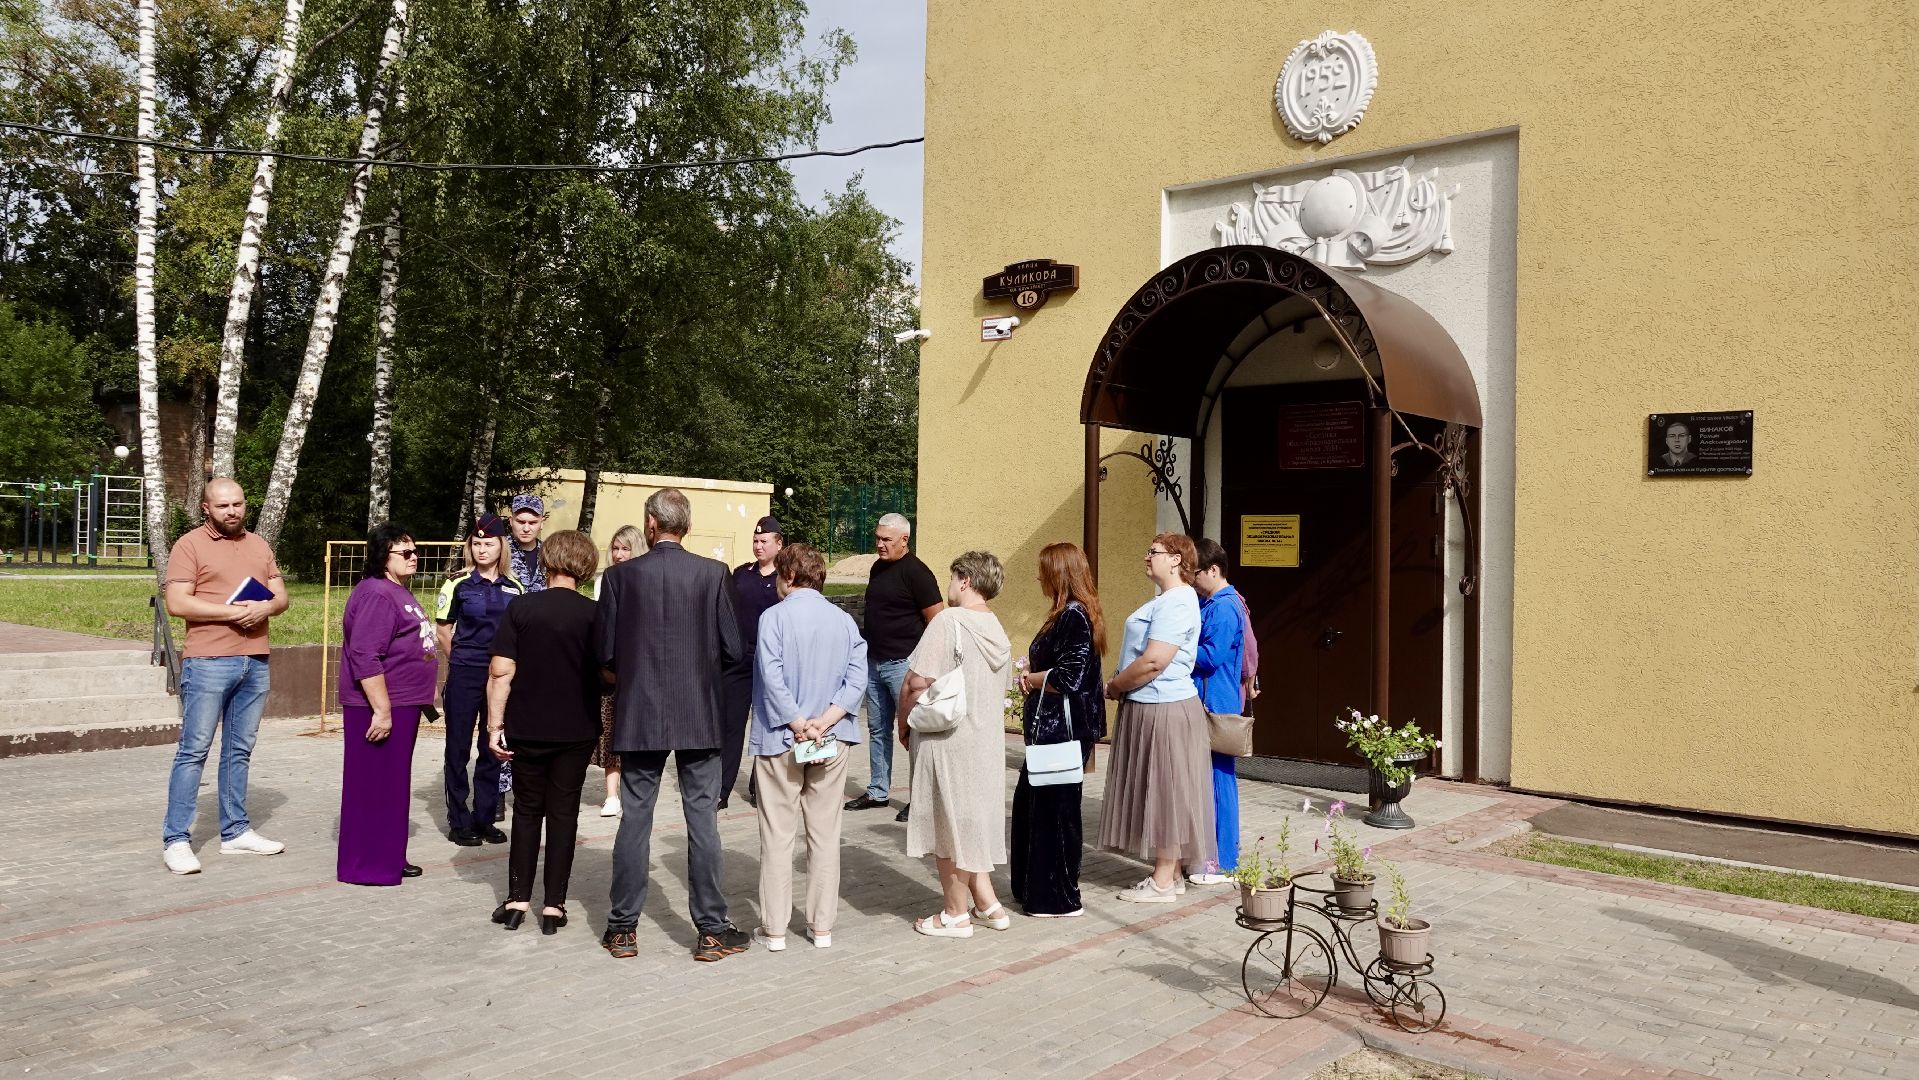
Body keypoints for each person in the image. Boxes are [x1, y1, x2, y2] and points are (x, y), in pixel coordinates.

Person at [595, 488, 752, 963]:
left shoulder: (620, 577)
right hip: (698, 712)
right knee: (702, 820)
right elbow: (734, 649)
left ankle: (623, 929)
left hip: (640, 712)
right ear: (687, 525)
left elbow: (604, 652)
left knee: (635, 818)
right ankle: (711, 930)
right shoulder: (713, 574)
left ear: (650, 524)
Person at [160, 477, 290, 874]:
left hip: (255, 660)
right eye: (222, 506)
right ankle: (176, 839)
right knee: (193, 750)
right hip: (209, 661)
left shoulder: (259, 545)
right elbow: (177, 602)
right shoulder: (189, 545)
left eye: (238, 504)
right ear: (206, 508)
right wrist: (234, 613)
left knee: (239, 750)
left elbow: (281, 596)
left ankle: (235, 832)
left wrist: (265, 608)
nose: (232, 511)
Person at [749, 543, 866, 951]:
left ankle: (775, 930)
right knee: (825, 834)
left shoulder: (773, 617)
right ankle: (822, 927)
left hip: (781, 737)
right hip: (831, 737)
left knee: (777, 835)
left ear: (789, 576)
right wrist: (827, 719)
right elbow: (857, 677)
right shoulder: (844, 621)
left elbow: (771, 674)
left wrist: (798, 721)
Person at [484, 530, 601, 934]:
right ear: (585, 567)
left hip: (527, 726)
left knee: (527, 810)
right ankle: (554, 906)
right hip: (576, 728)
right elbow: (610, 672)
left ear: (547, 561)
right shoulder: (595, 614)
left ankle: (518, 900)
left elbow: (500, 672)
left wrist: (494, 726)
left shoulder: (521, 608)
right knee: (564, 813)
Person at [896, 551, 1013, 938]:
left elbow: (915, 681)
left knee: (947, 825)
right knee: (969, 823)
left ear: (965, 580)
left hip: (948, 740)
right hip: (985, 742)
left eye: (952, 577)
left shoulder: (949, 621)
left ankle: (954, 914)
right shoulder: (996, 627)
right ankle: (989, 904)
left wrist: (904, 722)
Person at [1098, 532, 1215, 903]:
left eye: (1154, 552)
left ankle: (1163, 881)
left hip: (1162, 707)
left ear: (1177, 559)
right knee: (1165, 788)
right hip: (1152, 705)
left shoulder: (1177, 601)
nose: (1146, 557)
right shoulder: (1170, 599)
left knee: (1166, 791)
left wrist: (1116, 685)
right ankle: (1172, 873)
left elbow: (1153, 661)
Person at [337, 524, 440, 885]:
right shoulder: (378, 595)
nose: (414, 557)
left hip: (403, 703)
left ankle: (389, 855)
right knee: (374, 786)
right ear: (383, 556)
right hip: (381, 706)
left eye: (415, 551)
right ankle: (368, 865)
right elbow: (366, 655)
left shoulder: (395, 590)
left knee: (391, 784)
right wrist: (381, 711)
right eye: (405, 552)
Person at [1009, 543, 1106, 917]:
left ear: (1059, 574)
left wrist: (1030, 679)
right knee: (1035, 808)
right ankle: (1035, 890)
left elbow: (1069, 677)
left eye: (1043, 570)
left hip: (1062, 730)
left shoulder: (1074, 616)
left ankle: (1058, 897)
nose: (1038, 577)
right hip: (1053, 730)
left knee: (1054, 814)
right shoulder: (1069, 614)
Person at [435, 513, 525, 847]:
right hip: (465, 673)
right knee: (458, 747)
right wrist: (460, 661)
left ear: (501, 546)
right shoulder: (457, 583)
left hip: (500, 678)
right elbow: (443, 631)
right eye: (476, 544)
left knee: (492, 747)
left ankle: (485, 817)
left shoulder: (514, 587)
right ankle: (459, 821)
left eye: (488, 544)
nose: (482, 549)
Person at [846, 512, 942, 822]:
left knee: (913, 732)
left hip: (904, 666)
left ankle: (920, 798)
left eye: (886, 539)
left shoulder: (918, 573)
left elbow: (937, 621)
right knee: (878, 729)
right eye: (877, 538)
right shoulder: (877, 568)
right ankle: (878, 791)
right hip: (874, 663)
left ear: (904, 540)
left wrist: (923, 668)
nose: (879, 544)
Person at [1186, 538, 1246, 887]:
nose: (1192, 580)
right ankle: (1210, 855)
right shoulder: (1213, 603)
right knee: (1209, 780)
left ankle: (1223, 863)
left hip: (1217, 705)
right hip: (1211, 701)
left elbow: (1211, 656)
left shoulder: (1223, 607)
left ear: (1213, 570)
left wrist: (1176, 645)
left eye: (1195, 573)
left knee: (1220, 781)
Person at [723, 515, 785, 808]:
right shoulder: (741, 574)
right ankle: (721, 788)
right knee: (731, 725)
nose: (758, 546)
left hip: (771, 662)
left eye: (764, 541)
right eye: (755, 541)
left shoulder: (786, 578)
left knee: (767, 726)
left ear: (778, 544)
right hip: (740, 660)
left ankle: (759, 787)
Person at [591, 524, 642, 817]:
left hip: (640, 668)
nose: (619, 554)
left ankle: (634, 792)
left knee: (636, 733)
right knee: (611, 731)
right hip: (613, 668)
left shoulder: (645, 578)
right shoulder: (605, 579)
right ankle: (611, 795)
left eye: (626, 549)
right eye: (616, 548)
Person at [507, 494, 547, 592]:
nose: (526, 529)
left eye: (532, 523)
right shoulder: (498, 550)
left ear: (542, 523)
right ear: (511, 521)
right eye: (521, 522)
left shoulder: (549, 553)